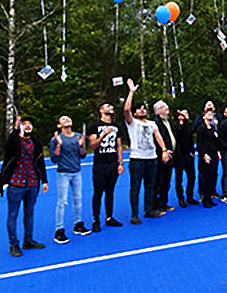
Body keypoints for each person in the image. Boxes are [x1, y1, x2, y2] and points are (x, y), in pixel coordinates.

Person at [0, 116, 48, 257]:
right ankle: (14, 244)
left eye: (29, 124)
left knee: (29, 212)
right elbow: (7, 147)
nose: (27, 126)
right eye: (24, 124)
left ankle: (28, 240)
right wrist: (15, 130)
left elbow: (40, 162)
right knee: (13, 214)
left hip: (32, 183)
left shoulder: (35, 142)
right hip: (16, 184)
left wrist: (44, 180)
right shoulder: (15, 141)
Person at [124, 79, 171, 224]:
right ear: (135, 112)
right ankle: (134, 214)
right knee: (135, 187)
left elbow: (158, 136)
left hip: (151, 158)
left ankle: (149, 209)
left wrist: (163, 150)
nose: (143, 110)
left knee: (151, 185)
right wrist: (131, 92)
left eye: (144, 108)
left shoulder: (151, 123)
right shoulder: (132, 122)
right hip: (137, 158)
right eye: (139, 108)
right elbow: (126, 110)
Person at [51, 116, 90, 244]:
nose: (67, 119)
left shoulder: (78, 136)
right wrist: (59, 145)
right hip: (63, 173)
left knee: (78, 199)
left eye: (68, 118)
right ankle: (59, 230)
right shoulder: (56, 139)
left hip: (77, 172)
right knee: (62, 202)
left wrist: (82, 146)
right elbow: (54, 159)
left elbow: (83, 155)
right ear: (59, 125)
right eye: (63, 119)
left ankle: (78, 225)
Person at [88, 101, 124, 233]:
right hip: (100, 164)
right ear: (101, 110)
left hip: (112, 163)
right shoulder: (95, 126)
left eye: (112, 106)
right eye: (108, 106)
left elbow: (119, 146)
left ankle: (109, 217)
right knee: (98, 192)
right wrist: (103, 135)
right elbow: (93, 146)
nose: (112, 107)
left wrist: (120, 163)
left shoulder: (116, 126)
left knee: (110, 191)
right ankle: (96, 219)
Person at [152, 100, 178, 212]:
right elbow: (157, 139)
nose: (167, 107)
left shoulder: (169, 121)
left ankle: (163, 203)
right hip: (161, 156)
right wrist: (164, 151)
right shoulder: (156, 123)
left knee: (167, 181)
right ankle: (155, 206)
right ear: (158, 111)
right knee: (159, 181)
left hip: (171, 155)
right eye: (163, 106)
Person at [195, 108, 223, 208]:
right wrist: (204, 154)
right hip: (206, 154)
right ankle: (205, 198)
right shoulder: (201, 128)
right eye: (208, 113)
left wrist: (218, 151)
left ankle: (210, 196)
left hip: (214, 153)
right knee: (206, 175)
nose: (210, 115)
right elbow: (199, 143)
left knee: (212, 175)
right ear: (204, 116)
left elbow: (216, 141)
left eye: (212, 113)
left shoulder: (212, 127)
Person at [175, 109, 198, 207]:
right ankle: (181, 198)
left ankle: (190, 196)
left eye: (186, 114)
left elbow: (190, 137)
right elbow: (179, 133)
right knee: (179, 178)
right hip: (179, 156)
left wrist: (192, 152)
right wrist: (181, 121)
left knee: (191, 176)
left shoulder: (189, 126)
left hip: (188, 155)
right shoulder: (176, 126)